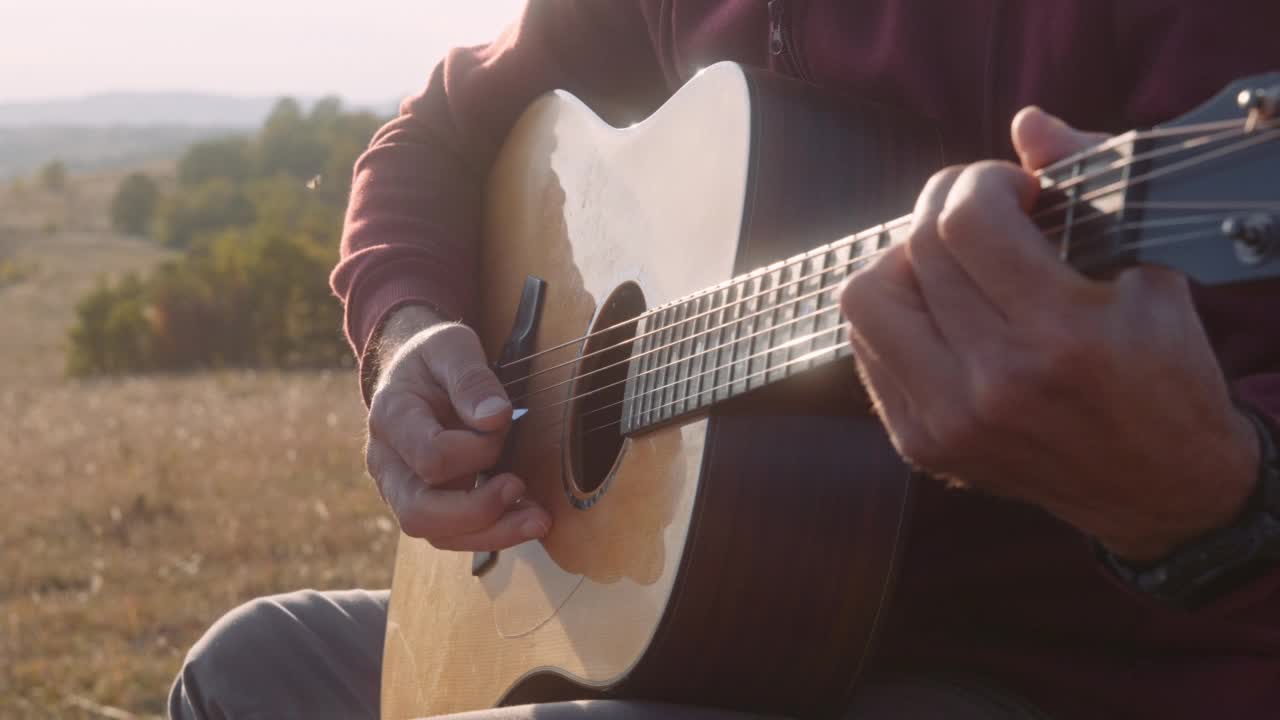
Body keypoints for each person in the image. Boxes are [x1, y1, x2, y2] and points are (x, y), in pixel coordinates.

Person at [169, 2, 1280, 718]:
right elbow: (440, 134)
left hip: (1059, 678)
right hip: (704, 637)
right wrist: (406, 331)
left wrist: (1201, 497)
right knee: (251, 672)